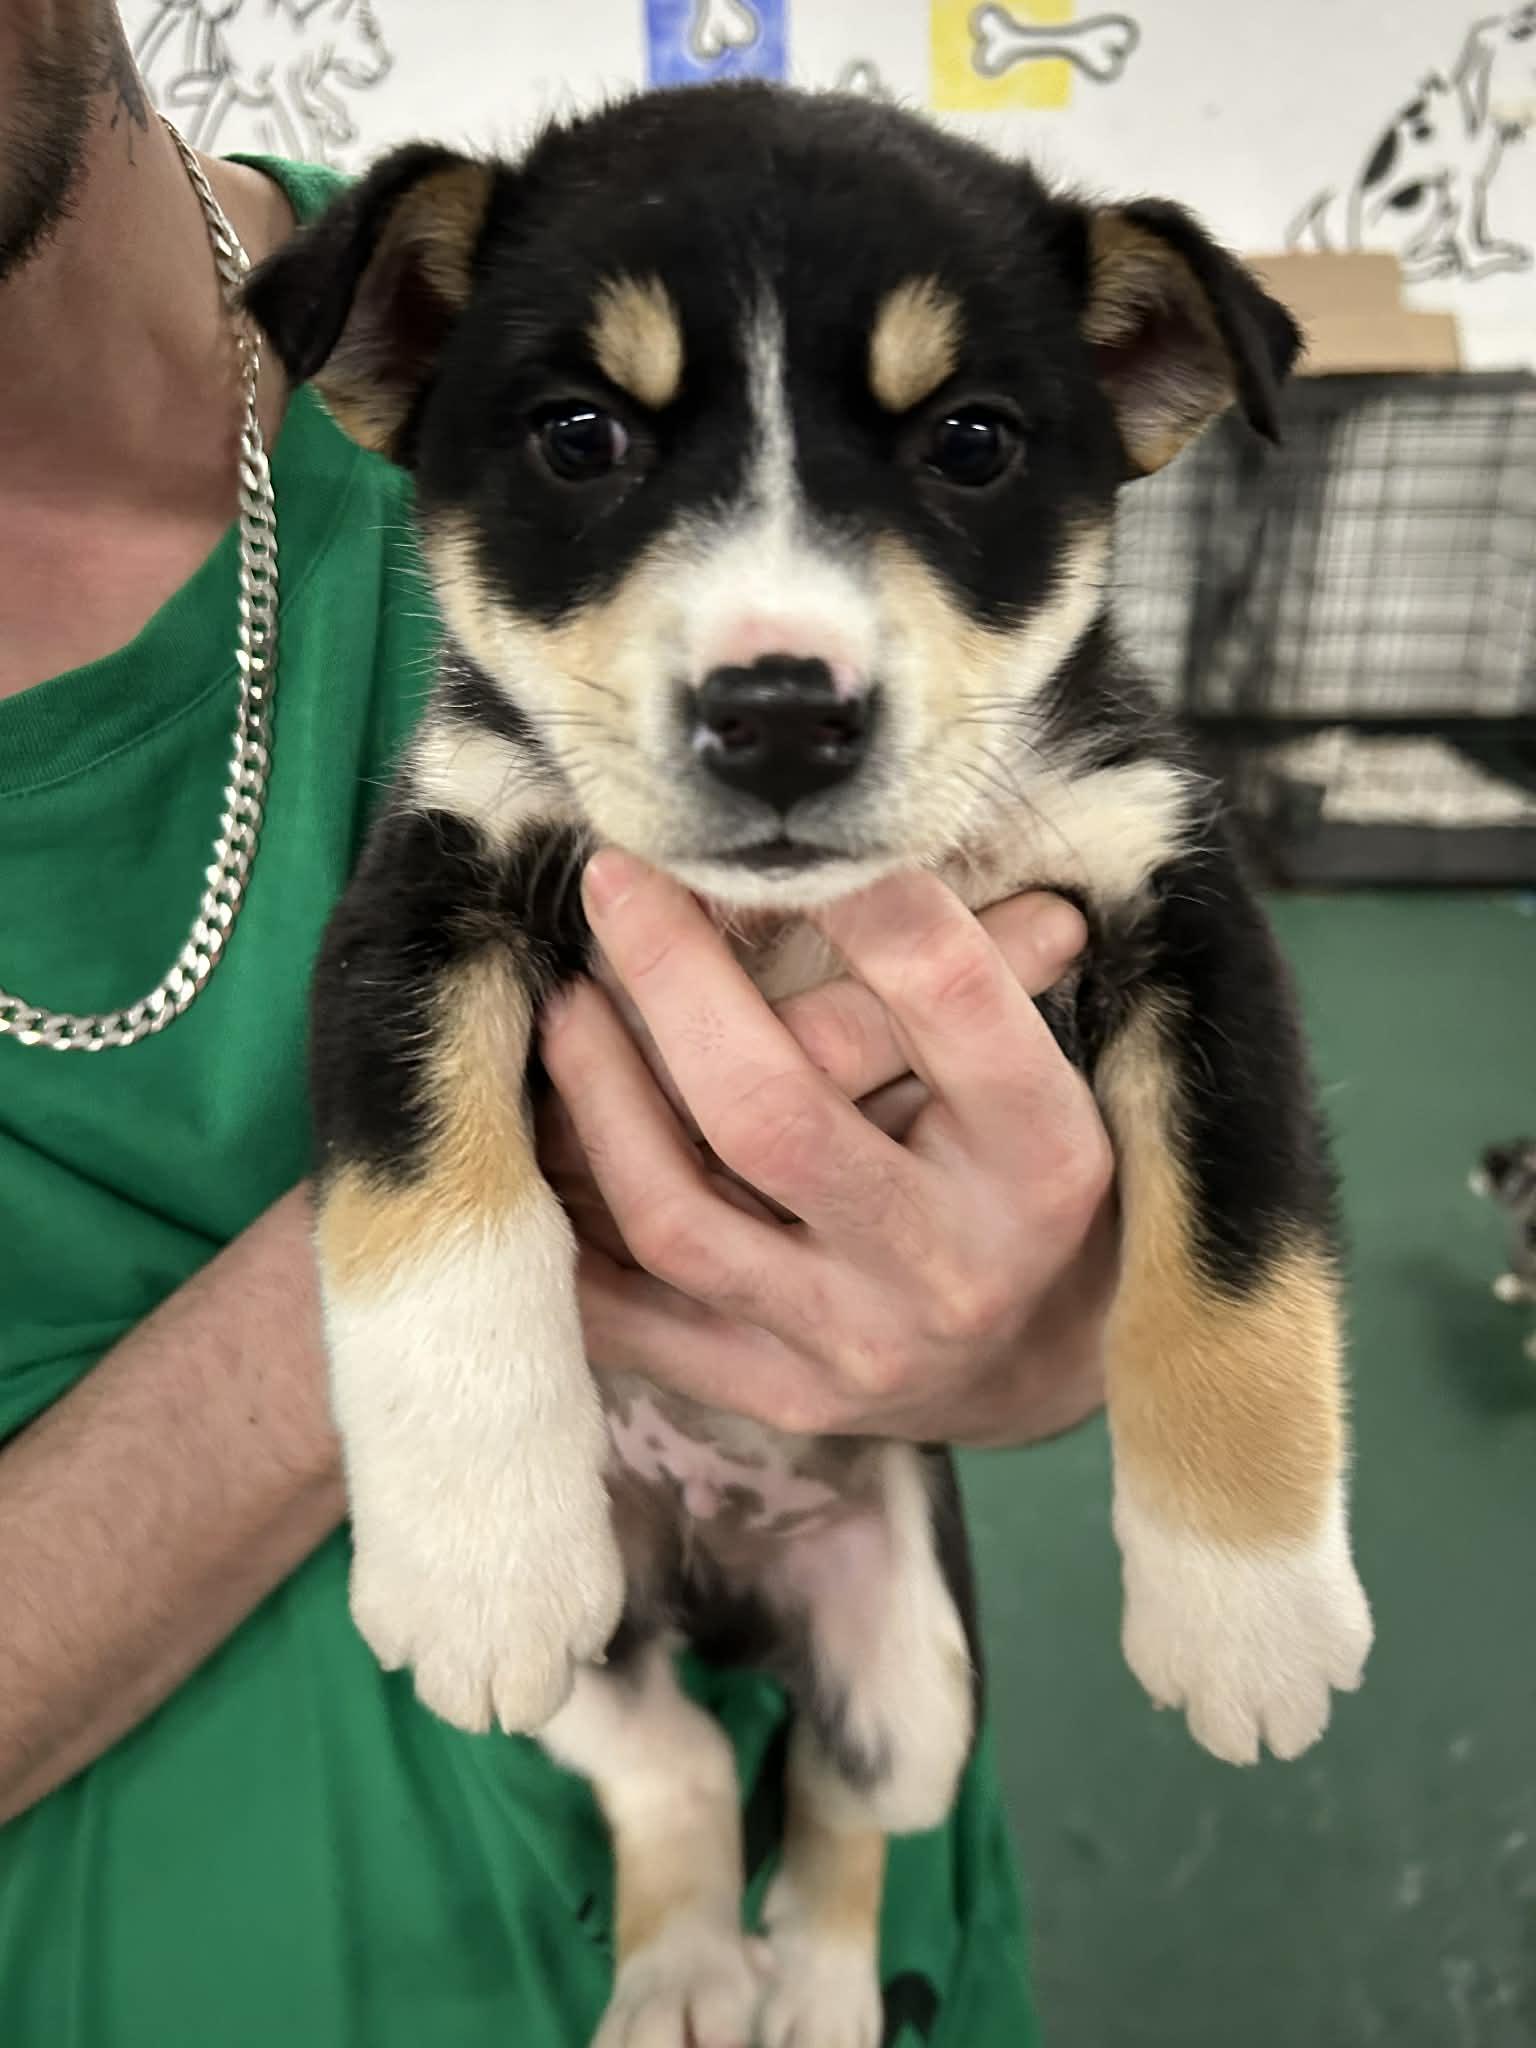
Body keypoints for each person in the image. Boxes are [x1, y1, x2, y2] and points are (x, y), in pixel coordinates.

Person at [0, 7, 1115, 2042]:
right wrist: (534, 1231)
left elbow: (1054, 1176)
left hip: (851, 1890)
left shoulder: (483, 299)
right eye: (591, 448)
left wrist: (1065, 1313)